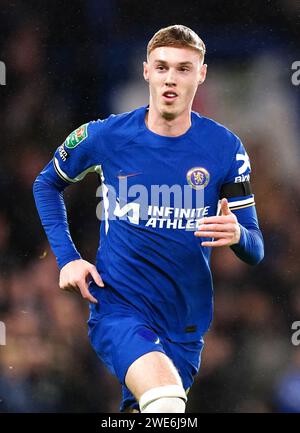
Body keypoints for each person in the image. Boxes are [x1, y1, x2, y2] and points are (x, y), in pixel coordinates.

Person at [33, 24, 264, 413]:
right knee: (165, 403)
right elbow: (46, 184)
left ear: (201, 74)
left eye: (183, 68)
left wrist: (238, 233)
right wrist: (68, 257)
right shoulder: (106, 136)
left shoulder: (225, 148)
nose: (170, 78)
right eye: (161, 67)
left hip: (186, 327)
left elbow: (255, 249)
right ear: (146, 71)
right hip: (119, 310)